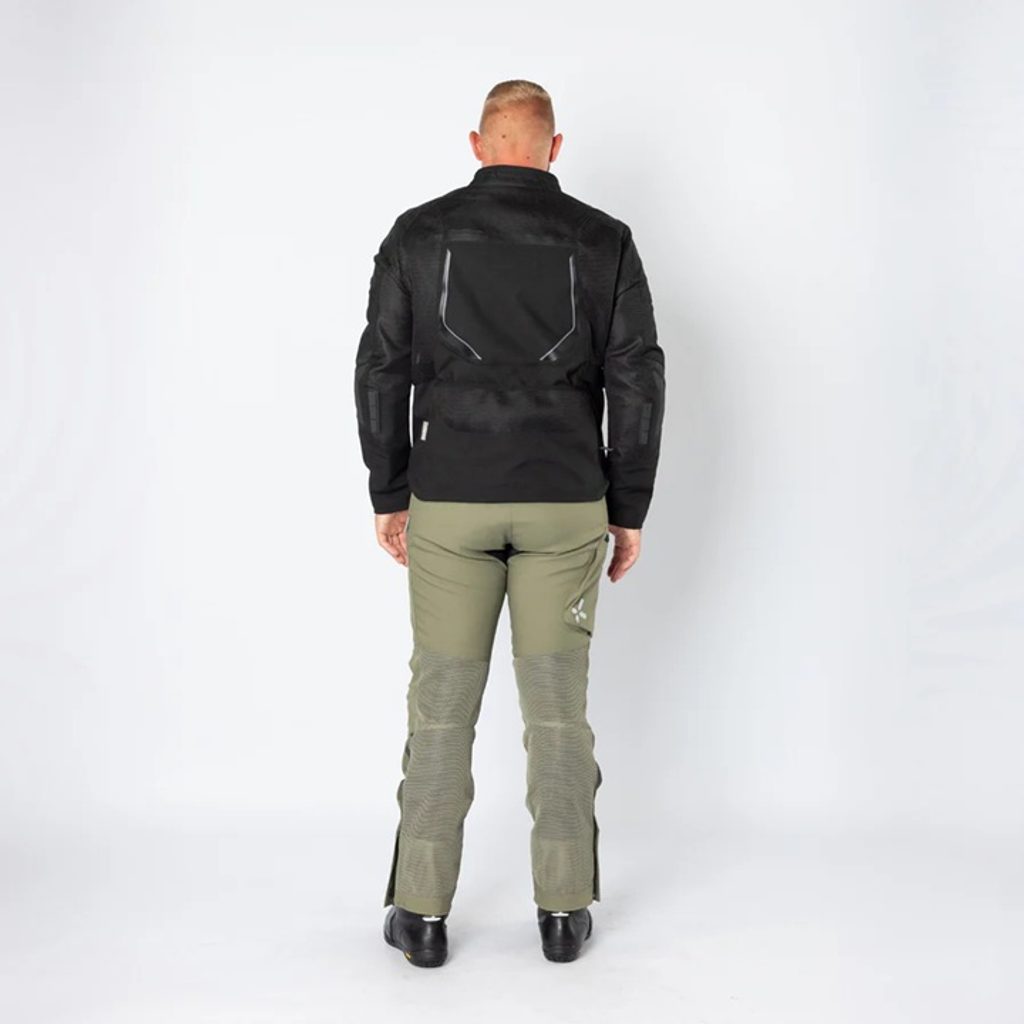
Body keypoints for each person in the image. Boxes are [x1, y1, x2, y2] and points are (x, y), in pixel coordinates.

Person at [354, 79, 666, 966]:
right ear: (553, 148)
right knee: (558, 714)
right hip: (565, 503)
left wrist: (390, 490)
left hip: (450, 498)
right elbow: (638, 375)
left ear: (477, 144)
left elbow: (380, 368)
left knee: (442, 707)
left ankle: (421, 916)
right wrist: (628, 506)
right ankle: (563, 914)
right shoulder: (604, 240)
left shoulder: (418, 234)